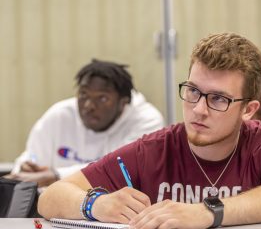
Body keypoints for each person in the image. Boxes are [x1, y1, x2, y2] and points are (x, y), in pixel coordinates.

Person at [38, 33, 261, 229]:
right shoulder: (153, 150)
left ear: (248, 110)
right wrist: (96, 204)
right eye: (193, 91)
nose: (199, 110)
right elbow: (51, 197)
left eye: (218, 99)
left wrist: (207, 211)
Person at [8, 59, 164, 187]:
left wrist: (56, 176)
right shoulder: (60, 114)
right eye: (83, 94)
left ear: (123, 103)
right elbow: (32, 156)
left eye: (102, 98)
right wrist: (26, 166)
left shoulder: (147, 121)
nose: (89, 106)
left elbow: (120, 170)